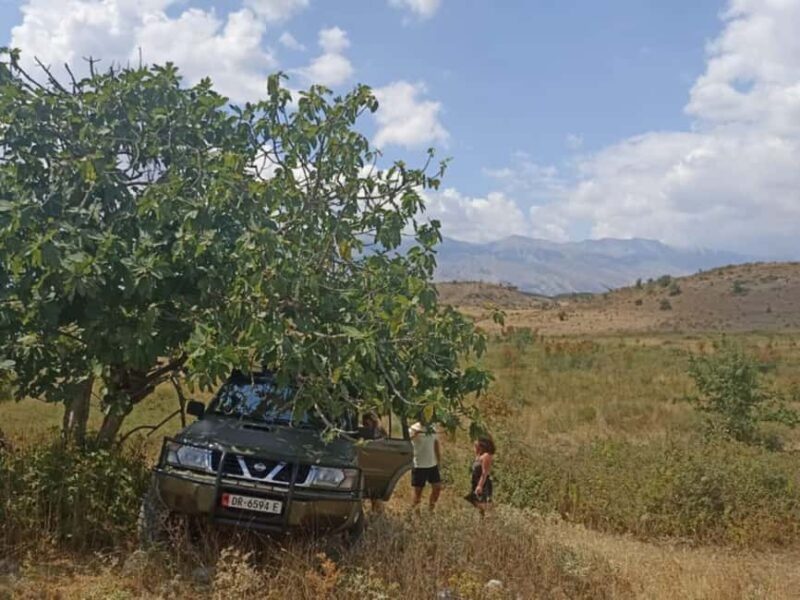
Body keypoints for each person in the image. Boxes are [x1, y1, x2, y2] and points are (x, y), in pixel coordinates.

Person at [408, 415, 442, 511]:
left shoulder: (432, 428)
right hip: (419, 465)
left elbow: (436, 444)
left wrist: (438, 460)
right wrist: (415, 435)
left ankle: (431, 509)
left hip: (432, 464)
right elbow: (406, 441)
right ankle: (414, 512)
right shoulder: (413, 428)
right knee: (418, 493)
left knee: (437, 488)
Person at [465, 437, 495, 515]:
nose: (474, 448)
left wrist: (480, 486)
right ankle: (483, 519)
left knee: (482, 502)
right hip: (476, 482)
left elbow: (484, 473)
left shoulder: (486, 456)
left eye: (476, 446)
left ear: (481, 446)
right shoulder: (479, 456)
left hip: (483, 483)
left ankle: (489, 516)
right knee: (474, 500)